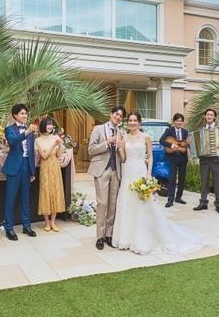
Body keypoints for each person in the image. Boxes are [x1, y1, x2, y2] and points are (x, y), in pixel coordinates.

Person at [112, 112, 204, 255]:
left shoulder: (146, 137)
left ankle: (143, 239)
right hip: (128, 174)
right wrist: (119, 148)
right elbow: (123, 159)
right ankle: (126, 238)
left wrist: (149, 174)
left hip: (141, 172)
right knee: (127, 203)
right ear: (127, 122)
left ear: (139, 122)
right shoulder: (124, 137)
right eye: (130, 120)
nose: (132, 123)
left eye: (135, 120)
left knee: (143, 204)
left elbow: (150, 157)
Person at [87, 106, 126, 250]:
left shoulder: (121, 132)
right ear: (111, 114)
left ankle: (109, 234)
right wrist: (107, 143)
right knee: (102, 203)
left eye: (121, 116)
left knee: (112, 204)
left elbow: (123, 154)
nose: (118, 117)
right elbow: (91, 149)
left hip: (116, 171)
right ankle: (99, 236)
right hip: (101, 170)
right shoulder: (98, 129)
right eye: (116, 114)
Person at [1, 104, 38, 241]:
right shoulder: (9, 129)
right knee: (10, 199)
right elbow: (12, 142)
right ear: (15, 115)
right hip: (14, 166)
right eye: (22, 113)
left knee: (25, 198)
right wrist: (26, 132)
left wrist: (32, 171)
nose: (25, 116)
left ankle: (26, 226)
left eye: (25, 113)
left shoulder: (30, 131)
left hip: (26, 166)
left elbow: (31, 152)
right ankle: (9, 228)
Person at [193, 108, 219, 214]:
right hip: (204, 159)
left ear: (214, 117)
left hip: (216, 159)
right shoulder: (201, 130)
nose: (209, 116)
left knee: (217, 182)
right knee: (204, 182)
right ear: (205, 116)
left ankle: (218, 205)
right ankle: (203, 203)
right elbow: (197, 143)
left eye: (211, 115)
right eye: (207, 114)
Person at [35, 117, 65, 232]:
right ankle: (47, 222)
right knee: (46, 193)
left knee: (55, 192)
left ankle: (53, 222)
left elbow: (58, 155)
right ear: (43, 126)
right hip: (45, 168)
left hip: (55, 168)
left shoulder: (56, 137)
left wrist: (60, 145)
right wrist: (53, 145)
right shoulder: (38, 140)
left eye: (51, 124)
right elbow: (43, 156)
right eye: (48, 124)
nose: (50, 126)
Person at [159, 113, 189, 208]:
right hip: (172, 157)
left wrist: (188, 144)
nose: (179, 122)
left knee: (182, 178)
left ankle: (178, 197)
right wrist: (171, 145)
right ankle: (170, 199)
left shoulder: (185, 132)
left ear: (183, 122)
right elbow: (161, 141)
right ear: (174, 121)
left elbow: (186, 144)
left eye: (180, 121)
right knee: (172, 178)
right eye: (177, 121)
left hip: (183, 157)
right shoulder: (169, 130)